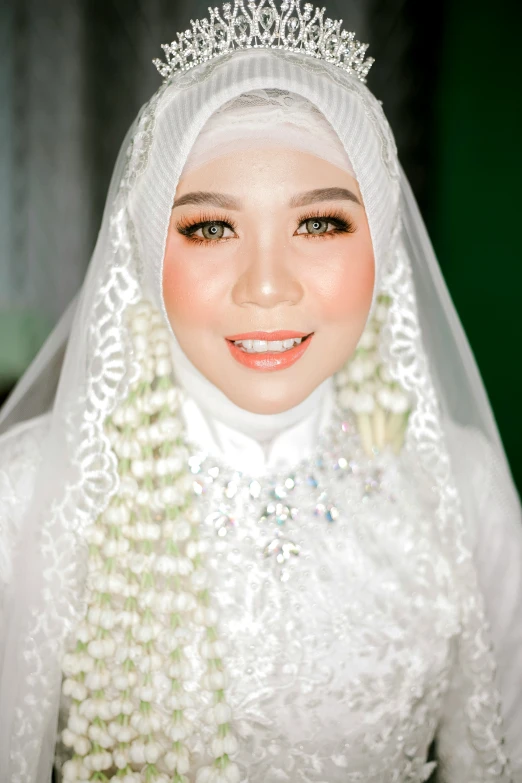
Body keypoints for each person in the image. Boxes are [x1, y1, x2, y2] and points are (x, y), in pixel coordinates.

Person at [1, 2, 521, 782]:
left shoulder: (460, 483)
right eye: (210, 229)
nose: (268, 286)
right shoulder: (30, 494)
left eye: (321, 225)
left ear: (381, 244)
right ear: (143, 252)